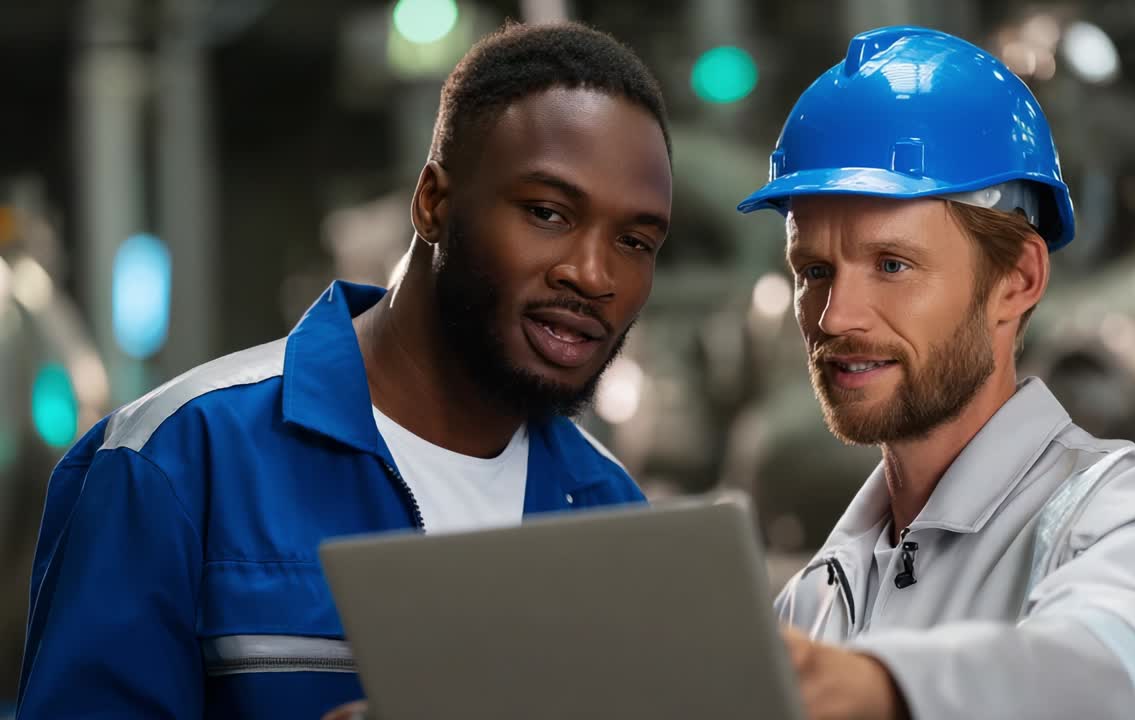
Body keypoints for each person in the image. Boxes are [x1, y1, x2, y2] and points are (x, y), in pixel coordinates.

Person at [18, 21, 672, 720]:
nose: (594, 274)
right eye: (547, 212)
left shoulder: (611, 512)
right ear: (433, 203)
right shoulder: (178, 463)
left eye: (634, 241)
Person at [737, 25, 1135, 719]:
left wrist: (873, 689)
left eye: (892, 266)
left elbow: (1110, 676)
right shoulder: (814, 602)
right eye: (814, 271)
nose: (836, 317)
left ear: (1018, 280)